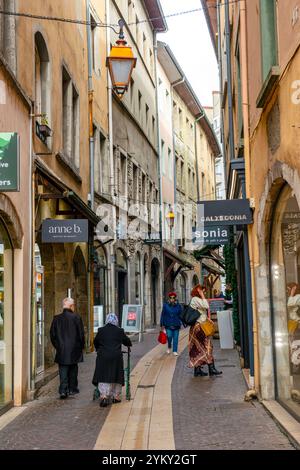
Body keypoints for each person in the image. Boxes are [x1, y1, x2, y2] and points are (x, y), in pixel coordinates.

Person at [92, 313, 132, 408]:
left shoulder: (101, 330)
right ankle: (115, 396)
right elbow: (127, 341)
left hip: (103, 356)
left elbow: (95, 342)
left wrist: (98, 349)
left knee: (103, 374)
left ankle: (104, 396)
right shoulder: (119, 330)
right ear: (116, 321)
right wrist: (129, 345)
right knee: (116, 374)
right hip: (116, 356)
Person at [50, 297, 85, 399]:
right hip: (74, 349)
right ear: (71, 306)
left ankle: (63, 390)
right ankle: (72, 388)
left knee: (63, 370)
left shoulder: (56, 318)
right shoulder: (76, 318)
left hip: (62, 349)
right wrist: (81, 346)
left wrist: (58, 346)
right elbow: (81, 334)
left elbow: (52, 335)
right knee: (73, 369)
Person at [188, 284, 222, 377]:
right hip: (198, 327)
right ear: (198, 290)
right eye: (203, 290)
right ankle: (211, 368)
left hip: (198, 326)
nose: (205, 292)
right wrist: (201, 294)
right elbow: (206, 306)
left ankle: (198, 370)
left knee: (197, 347)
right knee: (208, 346)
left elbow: (201, 312)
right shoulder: (196, 299)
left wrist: (207, 318)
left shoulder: (197, 300)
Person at [160, 292, 182, 356]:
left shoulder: (178, 305)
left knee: (176, 338)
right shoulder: (165, 305)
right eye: (171, 297)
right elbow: (163, 314)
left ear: (175, 298)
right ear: (169, 298)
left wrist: (182, 322)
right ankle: (169, 347)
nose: (172, 299)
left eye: (173, 297)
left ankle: (175, 350)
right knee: (169, 336)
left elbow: (181, 314)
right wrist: (162, 324)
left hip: (176, 323)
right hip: (168, 323)